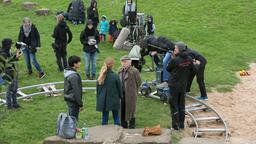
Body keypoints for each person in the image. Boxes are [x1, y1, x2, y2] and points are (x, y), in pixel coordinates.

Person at [166, 41, 194, 130]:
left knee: (174, 105)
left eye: (176, 48)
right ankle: (181, 125)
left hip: (174, 86)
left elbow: (168, 68)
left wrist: (173, 58)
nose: (174, 50)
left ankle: (175, 126)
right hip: (183, 85)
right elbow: (192, 69)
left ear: (180, 50)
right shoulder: (189, 59)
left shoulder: (175, 60)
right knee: (181, 105)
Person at [96, 58, 122, 125]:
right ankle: (117, 131)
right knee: (116, 116)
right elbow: (119, 88)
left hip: (103, 99)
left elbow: (97, 89)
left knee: (104, 117)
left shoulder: (100, 76)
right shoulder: (115, 76)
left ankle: (104, 132)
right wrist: (121, 96)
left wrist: (98, 98)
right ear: (112, 65)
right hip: (114, 98)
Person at [118, 55, 141, 129]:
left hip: (131, 94)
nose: (123, 63)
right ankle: (123, 125)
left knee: (131, 109)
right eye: (122, 62)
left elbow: (139, 82)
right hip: (122, 94)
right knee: (122, 109)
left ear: (129, 62)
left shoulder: (134, 71)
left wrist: (134, 91)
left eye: (124, 62)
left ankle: (132, 126)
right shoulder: (120, 70)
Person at [0, 38, 21, 109]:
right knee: (9, 90)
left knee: (15, 89)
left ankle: (15, 104)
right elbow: (6, 63)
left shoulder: (9, 51)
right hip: (8, 74)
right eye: (10, 44)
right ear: (7, 45)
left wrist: (17, 53)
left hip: (14, 72)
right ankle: (9, 105)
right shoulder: (3, 54)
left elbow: (13, 59)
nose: (11, 46)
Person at [64, 55, 83, 120]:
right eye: (79, 62)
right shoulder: (73, 76)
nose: (80, 63)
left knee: (72, 118)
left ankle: (73, 129)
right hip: (73, 100)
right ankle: (71, 130)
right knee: (73, 119)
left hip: (70, 98)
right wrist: (80, 104)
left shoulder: (68, 72)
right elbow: (76, 91)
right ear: (74, 64)